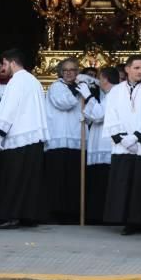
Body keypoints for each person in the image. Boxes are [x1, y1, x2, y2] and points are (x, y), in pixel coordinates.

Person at [103, 55, 141, 235]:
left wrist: (136, 137)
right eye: (136, 68)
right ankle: (128, 221)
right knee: (125, 184)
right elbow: (111, 114)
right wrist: (123, 139)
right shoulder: (116, 91)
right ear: (127, 69)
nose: (140, 71)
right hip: (123, 147)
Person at [0, 49, 50, 229]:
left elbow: (9, 107)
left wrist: (1, 131)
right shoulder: (33, 81)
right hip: (34, 137)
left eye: (3, 64)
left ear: (11, 62)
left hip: (19, 137)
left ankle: (10, 216)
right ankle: (28, 216)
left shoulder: (16, 81)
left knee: (13, 178)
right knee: (30, 179)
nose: (2, 68)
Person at [43, 57, 92, 224]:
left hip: (77, 139)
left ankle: (74, 212)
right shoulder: (56, 87)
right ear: (60, 73)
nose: (70, 73)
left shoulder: (80, 88)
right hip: (58, 141)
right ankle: (56, 213)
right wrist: (80, 90)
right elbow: (64, 103)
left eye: (73, 70)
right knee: (57, 179)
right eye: (66, 70)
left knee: (74, 179)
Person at [83, 66, 120, 223]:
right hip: (100, 142)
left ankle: (102, 216)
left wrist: (88, 96)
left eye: (100, 78)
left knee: (102, 182)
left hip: (105, 144)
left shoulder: (115, 94)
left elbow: (99, 114)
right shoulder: (110, 94)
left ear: (104, 79)